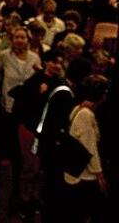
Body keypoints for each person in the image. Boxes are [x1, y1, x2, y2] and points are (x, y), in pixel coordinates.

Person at [62, 74, 110, 223]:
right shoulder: (86, 115)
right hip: (82, 175)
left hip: (75, 169)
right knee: (84, 214)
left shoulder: (79, 108)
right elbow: (90, 147)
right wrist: (100, 175)